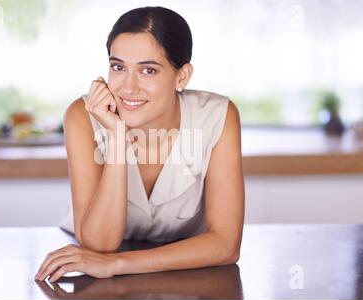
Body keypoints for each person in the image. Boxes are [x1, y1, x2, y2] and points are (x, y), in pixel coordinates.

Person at [35, 6, 244, 281]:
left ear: (182, 76)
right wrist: (117, 137)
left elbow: (225, 245)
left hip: (186, 276)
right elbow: (98, 246)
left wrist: (117, 264)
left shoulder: (218, 116)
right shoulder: (83, 116)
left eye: (148, 70)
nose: (128, 87)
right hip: (100, 280)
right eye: (118, 67)